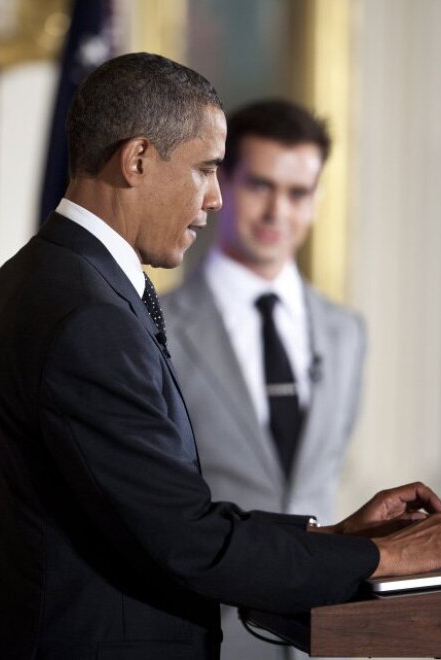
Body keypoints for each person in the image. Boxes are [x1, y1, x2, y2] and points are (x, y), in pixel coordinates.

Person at [0, 52, 441, 660]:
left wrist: (332, 537)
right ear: (138, 159)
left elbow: (155, 511)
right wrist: (388, 554)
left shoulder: (43, 277)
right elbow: (186, 540)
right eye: (206, 170)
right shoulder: (84, 313)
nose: (218, 199)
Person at [161, 99, 365, 659]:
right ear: (223, 183)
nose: (278, 211)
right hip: (208, 635)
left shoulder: (347, 333)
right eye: (261, 186)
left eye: (298, 193)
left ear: (318, 199)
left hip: (321, 636)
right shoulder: (158, 329)